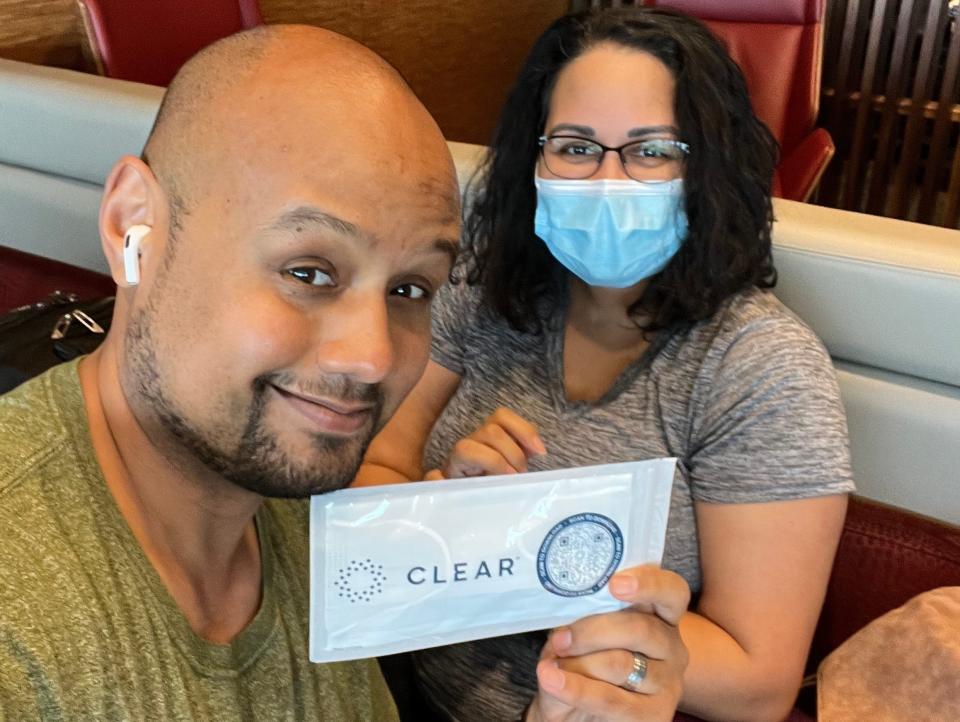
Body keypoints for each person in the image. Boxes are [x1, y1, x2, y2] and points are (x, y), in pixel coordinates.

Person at [0, 23, 689, 722]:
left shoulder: (302, 520)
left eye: (411, 290)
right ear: (131, 227)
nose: (373, 358)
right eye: (309, 272)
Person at [356, 7, 855, 722]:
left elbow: (759, 678)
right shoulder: (483, 288)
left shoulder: (758, 368)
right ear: (533, 159)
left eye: (651, 151)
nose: (608, 180)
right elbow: (379, 471)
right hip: (394, 686)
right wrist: (442, 514)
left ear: (705, 166)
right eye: (576, 147)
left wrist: (529, 567)